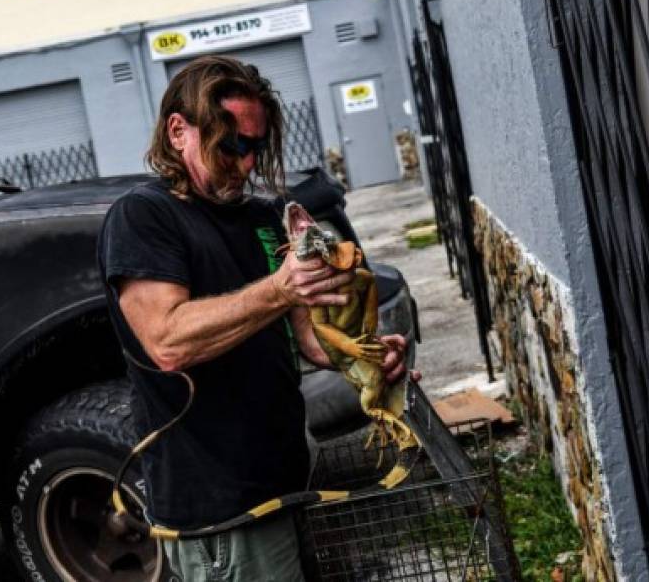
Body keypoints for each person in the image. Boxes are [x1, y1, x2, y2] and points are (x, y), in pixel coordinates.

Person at [97, 55, 413, 581]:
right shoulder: (143, 217)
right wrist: (279, 287)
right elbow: (167, 341)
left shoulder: (263, 217)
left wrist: (366, 357)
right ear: (179, 131)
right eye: (231, 146)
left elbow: (311, 340)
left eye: (256, 147)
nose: (246, 164)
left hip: (289, 479)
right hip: (222, 508)